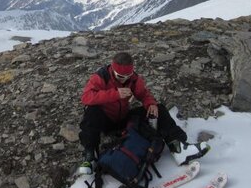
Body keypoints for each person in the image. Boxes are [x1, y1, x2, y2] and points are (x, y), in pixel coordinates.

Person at [78, 52, 210, 174]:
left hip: (124, 119)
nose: (124, 80)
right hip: (104, 120)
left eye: (127, 76)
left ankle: (178, 147)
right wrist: (115, 94)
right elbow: (86, 97)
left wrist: (150, 104)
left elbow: (143, 94)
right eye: (120, 76)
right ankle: (90, 156)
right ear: (113, 70)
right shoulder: (101, 77)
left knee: (160, 109)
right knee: (91, 111)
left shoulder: (133, 79)